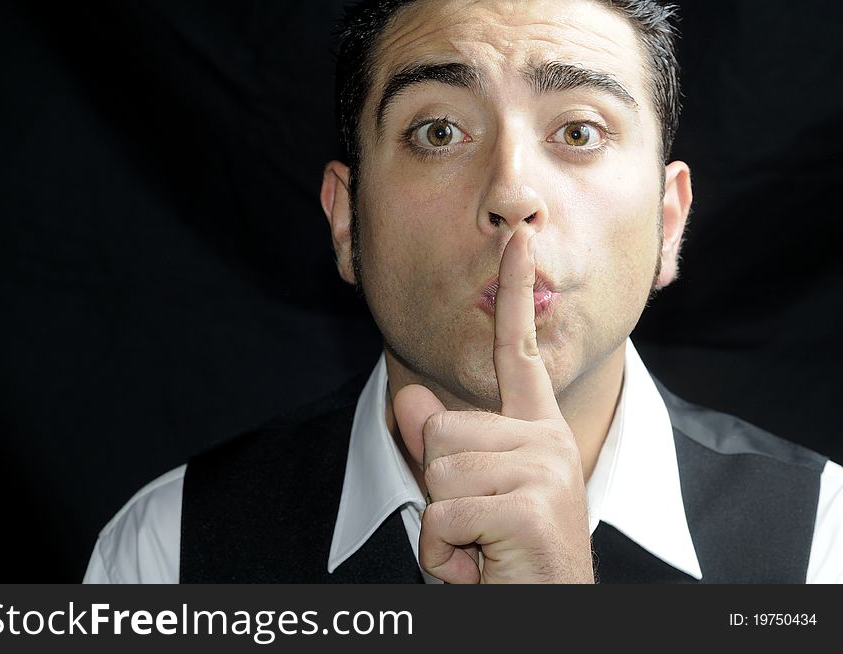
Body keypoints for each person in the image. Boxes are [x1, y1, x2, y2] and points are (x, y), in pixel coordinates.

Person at [83, 0, 842, 584]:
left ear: (668, 224)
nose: (512, 192)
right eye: (439, 131)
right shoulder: (170, 550)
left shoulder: (822, 544)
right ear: (348, 221)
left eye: (579, 131)